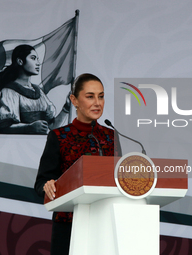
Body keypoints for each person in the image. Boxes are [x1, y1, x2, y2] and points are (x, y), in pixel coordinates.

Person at [34, 73, 120, 255]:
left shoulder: (112, 137)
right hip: (68, 225)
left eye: (101, 96)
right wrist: (47, 185)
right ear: (74, 100)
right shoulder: (58, 137)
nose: (97, 102)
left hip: (106, 223)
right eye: (90, 96)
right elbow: (41, 182)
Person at [0, 44, 70, 134]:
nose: (38, 63)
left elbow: (52, 126)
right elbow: (3, 128)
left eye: (37, 59)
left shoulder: (39, 92)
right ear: (20, 61)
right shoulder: (9, 91)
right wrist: (29, 127)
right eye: (33, 58)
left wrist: (66, 107)